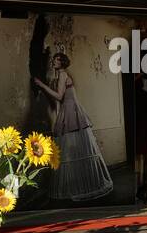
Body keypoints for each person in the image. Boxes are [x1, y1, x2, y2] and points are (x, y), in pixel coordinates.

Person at [34, 53, 113, 202]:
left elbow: (58, 96)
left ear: (62, 62)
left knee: (71, 148)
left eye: (56, 60)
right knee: (72, 149)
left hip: (71, 110)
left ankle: (80, 185)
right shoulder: (61, 76)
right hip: (69, 109)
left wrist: (42, 85)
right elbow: (60, 98)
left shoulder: (63, 74)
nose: (53, 62)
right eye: (53, 59)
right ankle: (77, 184)